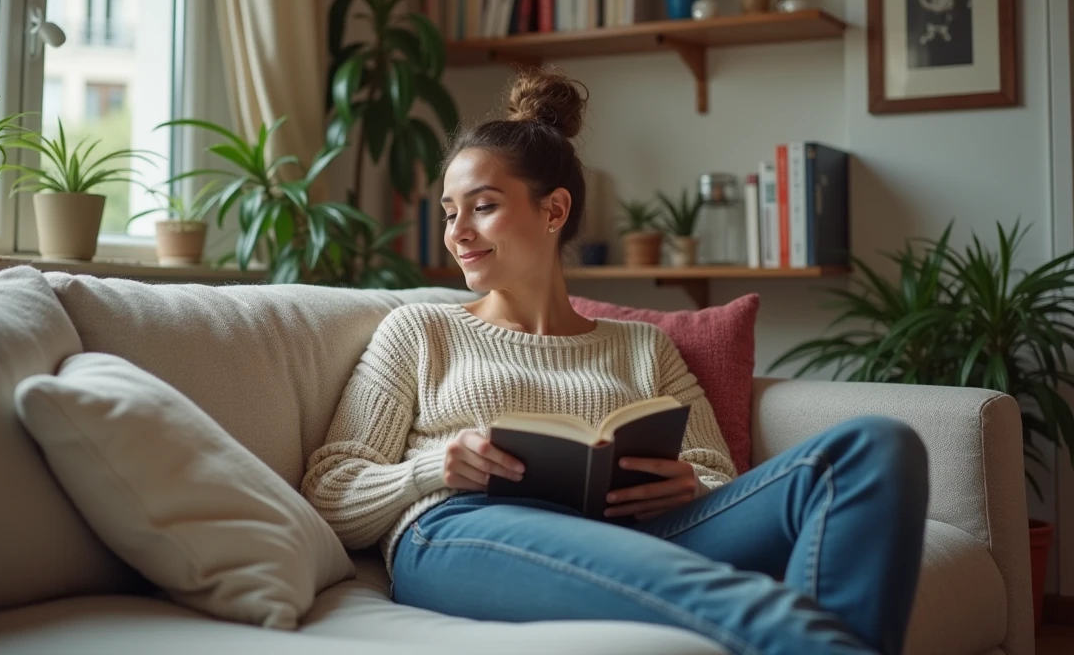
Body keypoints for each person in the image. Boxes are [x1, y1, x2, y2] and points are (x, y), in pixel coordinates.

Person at [301, 70, 929, 655]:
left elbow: (715, 475)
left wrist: (692, 486)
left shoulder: (642, 347)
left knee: (875, 446)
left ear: (554, 211)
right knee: (741, 602)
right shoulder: (421, 330)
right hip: (465, 528)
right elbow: (329, 492)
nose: (456, 232)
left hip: (643, 532)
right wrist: (436, 466)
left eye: (482, 206)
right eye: (449, 211)